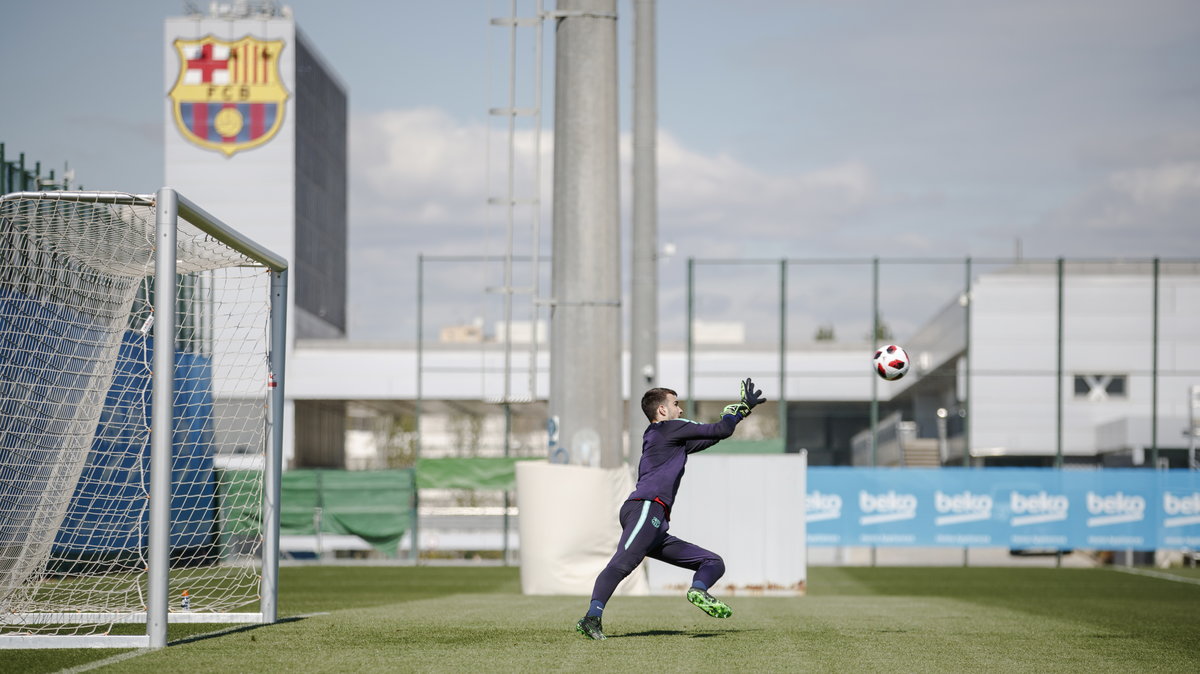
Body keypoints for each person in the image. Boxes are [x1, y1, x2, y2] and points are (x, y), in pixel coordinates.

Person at [575, 378, 766, 640]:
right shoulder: (668, 428)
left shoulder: (670, 437)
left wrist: (742, 410)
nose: (680, 409)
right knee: (623, 563)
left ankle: (698, 590)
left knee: (713, 562)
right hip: (646, 507)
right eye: (676, 404)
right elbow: (721, 428)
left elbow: (713, 436)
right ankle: (591, 618)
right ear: (662, 411)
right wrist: (734, 413)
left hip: (656, 518)